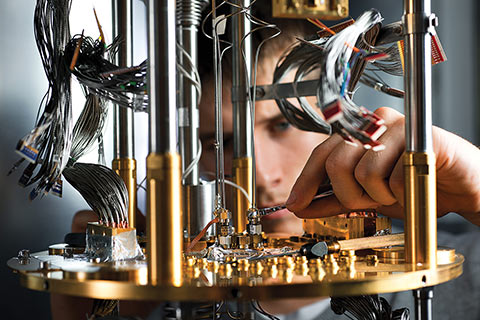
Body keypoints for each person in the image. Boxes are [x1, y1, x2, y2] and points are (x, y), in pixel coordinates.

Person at [57, 4, 480, 319]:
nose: (260, 176)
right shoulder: (157, 305)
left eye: (281, 125)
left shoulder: (463, 272)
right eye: (216, 141)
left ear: (342, 110)